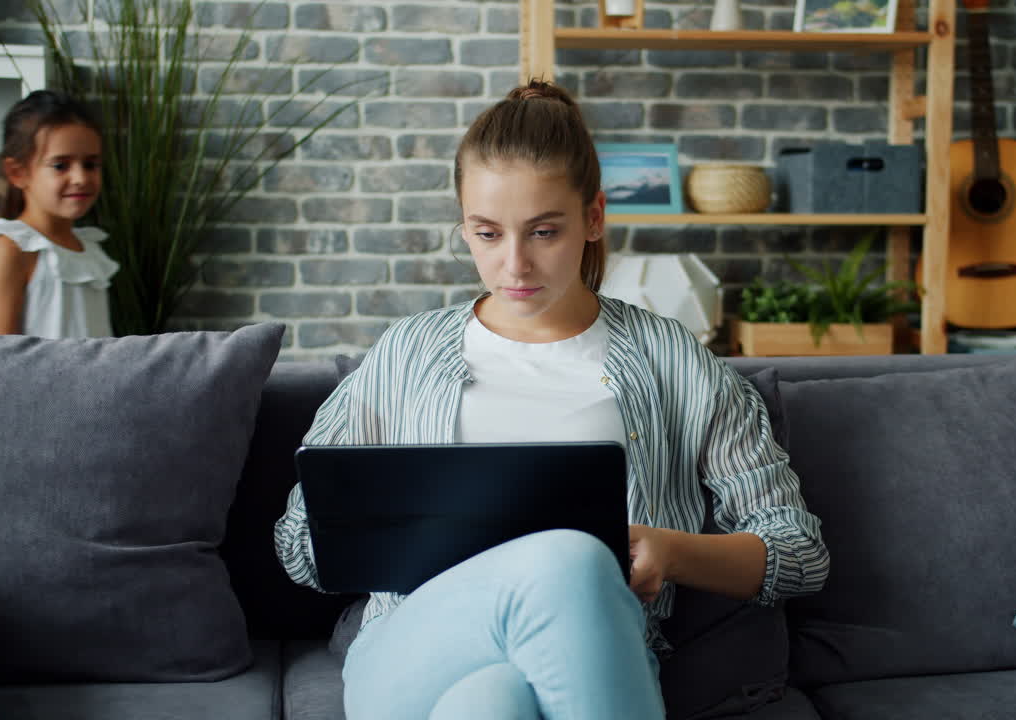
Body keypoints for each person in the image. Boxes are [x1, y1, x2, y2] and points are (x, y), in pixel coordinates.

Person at [274, 80, 829, 719]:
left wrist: (668, 551)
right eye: (486, 234)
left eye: (543, 232)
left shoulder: (669, 357)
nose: (514, 266)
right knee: (568, 558)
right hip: (414, 645)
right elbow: (297, 544)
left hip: (586, 653)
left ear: (593, 218)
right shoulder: (406, 352)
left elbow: (798, 551)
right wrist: (380, 533)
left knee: (494, 704)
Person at [0, 90, 118, 338]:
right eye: (60, 165)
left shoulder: (89, 248)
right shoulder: (11, 250)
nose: (80, 178)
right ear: (18, 173)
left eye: (91, 164)